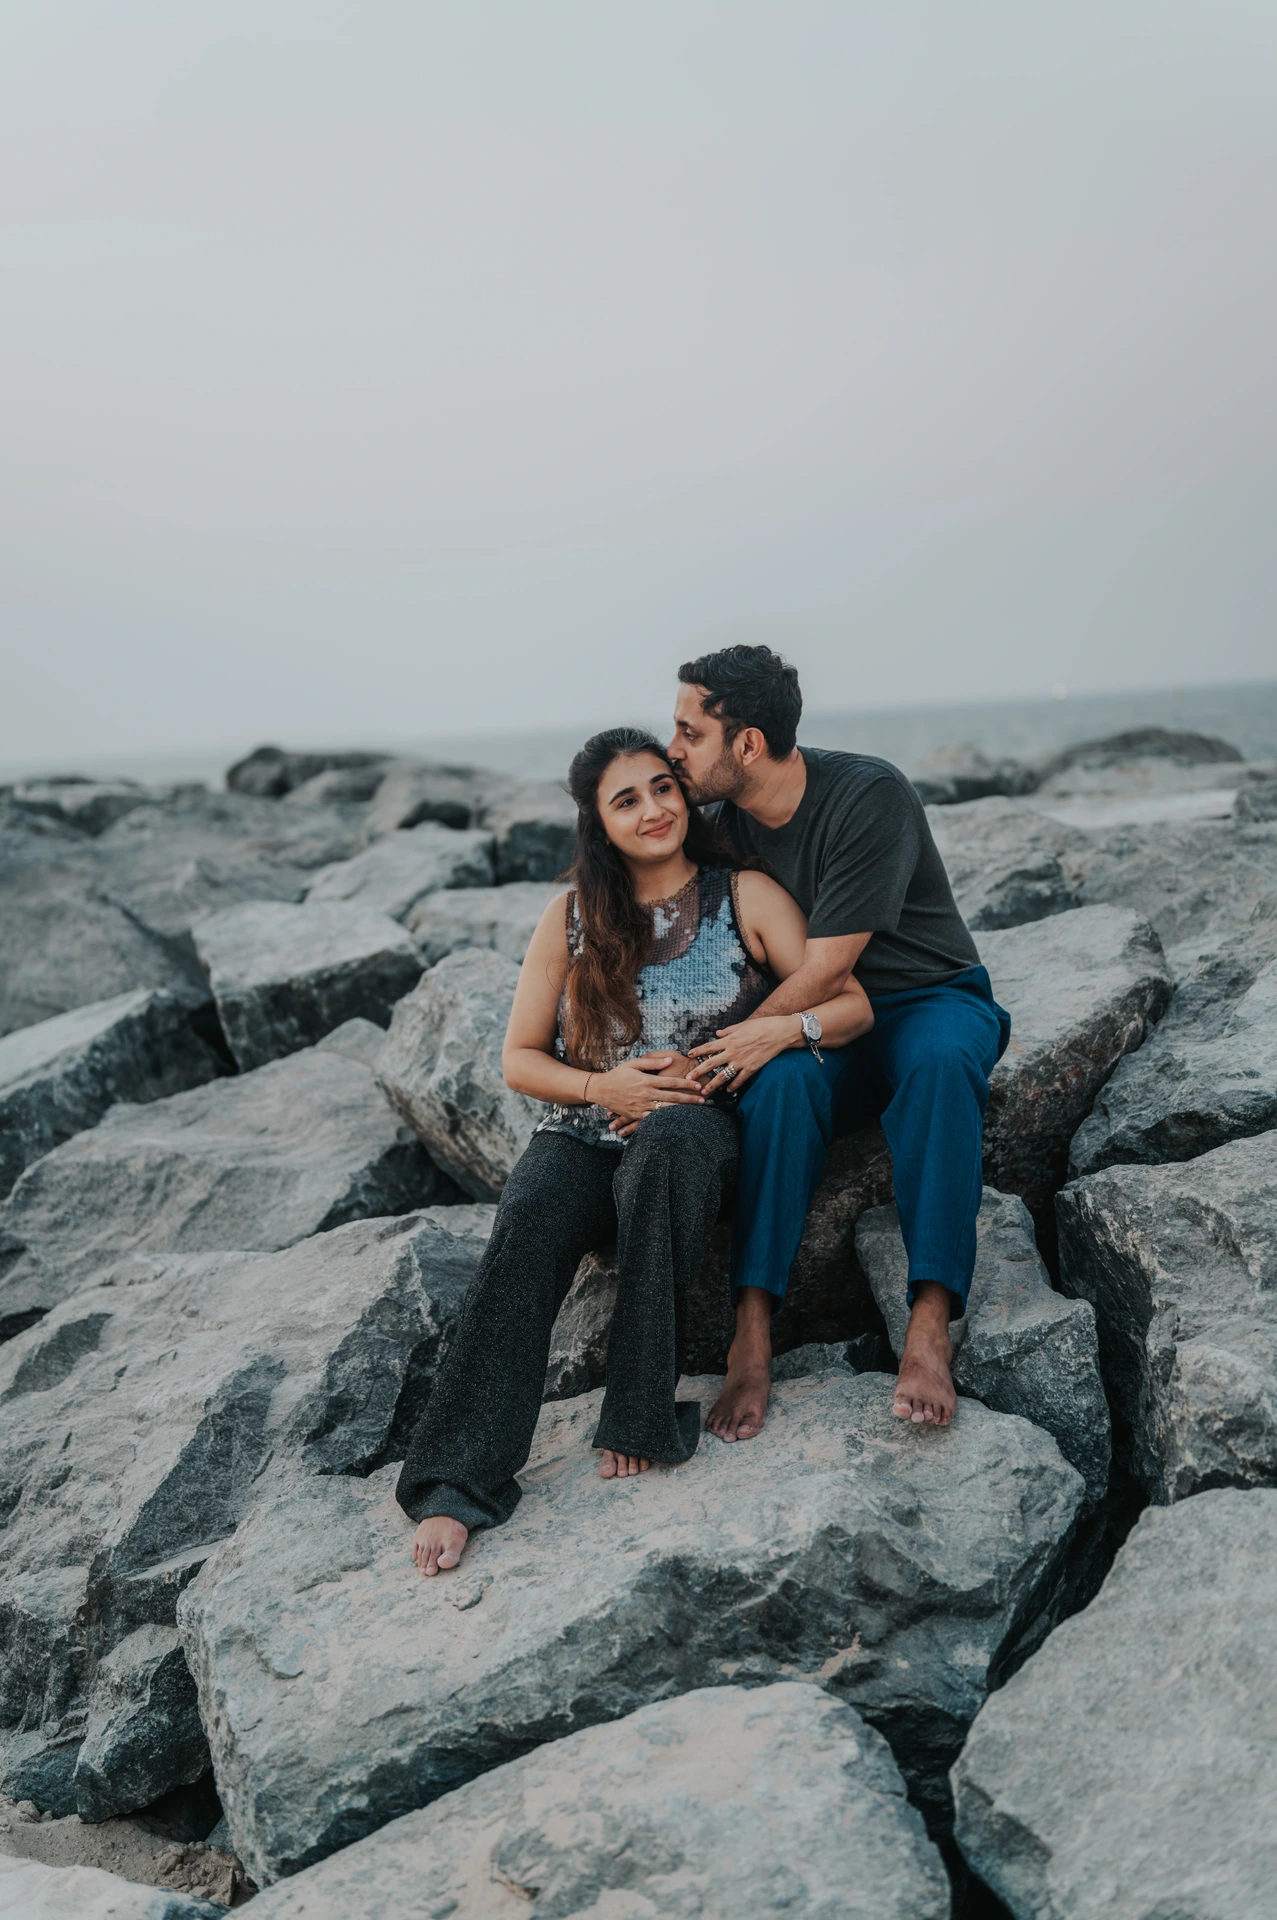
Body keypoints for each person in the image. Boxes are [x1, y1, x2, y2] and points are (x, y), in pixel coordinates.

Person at [401, 725, 873, 1576]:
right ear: (598, 821)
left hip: (702, 1130)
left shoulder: (747, 895)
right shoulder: (571, 916)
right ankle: (454, 1481)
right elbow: (519, 1059)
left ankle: (640, 1417)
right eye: (628, 799)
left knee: (665, 1150)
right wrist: (601, 1088)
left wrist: (763, 1037)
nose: (655, 809)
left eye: (664, 786)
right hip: (588, 1126)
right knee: (531, 1212)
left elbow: (852, 1009)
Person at [665, 645, 1011, 1439]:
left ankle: (928, 1321)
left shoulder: (866, 793)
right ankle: (750, 1331)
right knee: (781, 1088)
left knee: (938, 1064)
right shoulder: (720, 822)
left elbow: (826, 968)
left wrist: (725, 1048)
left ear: (746, 744)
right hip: (830, 1034)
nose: (674, 749)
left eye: (688, 732)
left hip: (926, 999)